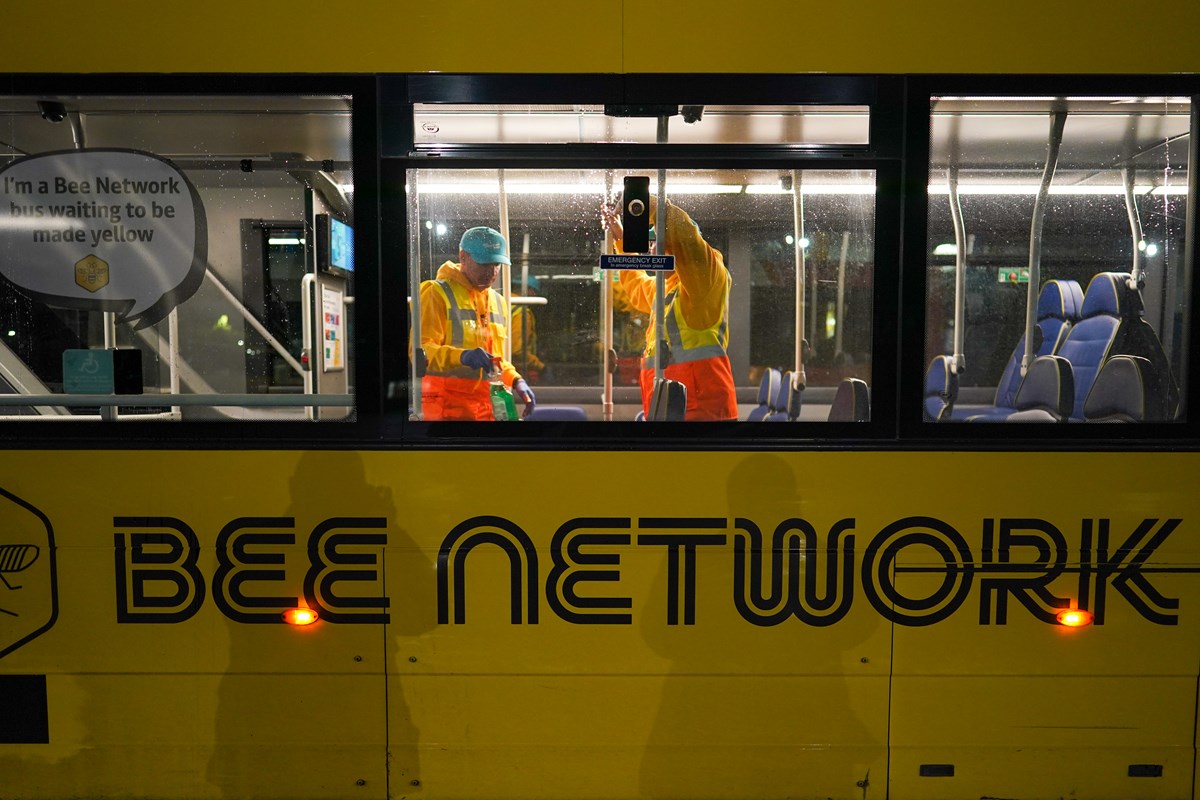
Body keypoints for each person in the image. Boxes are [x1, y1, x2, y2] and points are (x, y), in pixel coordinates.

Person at [602, 196, 737, 420]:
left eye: (658, 242)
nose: (652, 249)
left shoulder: (707, 279)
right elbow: (635, 283)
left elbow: (687, 238)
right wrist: (620, 237)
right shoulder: (666, 288)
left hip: (704, 413)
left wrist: (650, 205)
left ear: (676, 247)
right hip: (668, 409)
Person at [418, 226, 536, 420]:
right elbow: (421, 353)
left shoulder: (498, 302)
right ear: (463, 257)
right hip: (448, 414)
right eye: (485, 264)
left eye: (497, 264)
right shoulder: (435, 293)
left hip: (489, 412)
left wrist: (515, 380)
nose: (492, 271)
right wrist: (462, 356)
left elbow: (494, 361)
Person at [510, 275, 546, 383]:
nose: (534, 295)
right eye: (533, 291)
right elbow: (517, 351)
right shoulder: (521, 312)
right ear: (526, 290)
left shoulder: (504, 303)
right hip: (517, 371)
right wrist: (540, 366)